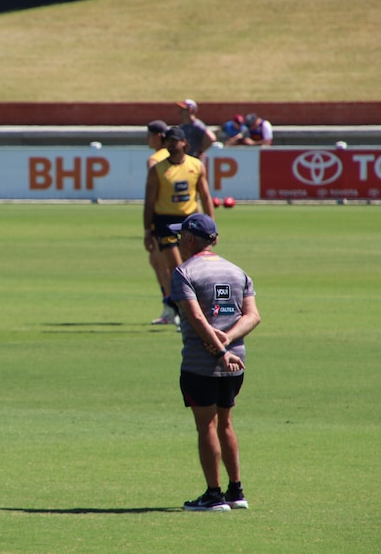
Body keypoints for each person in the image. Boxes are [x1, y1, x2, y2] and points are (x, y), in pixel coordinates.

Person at [168, 213, 260, 512]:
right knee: (227, 423)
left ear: (191, 239)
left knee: (206, 426)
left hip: (201, 363)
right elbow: (253, 316)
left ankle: (214, 494)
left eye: (181, 236)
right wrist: (229, 341)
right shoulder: (237, 271)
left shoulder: (184, 272)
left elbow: (195, 318)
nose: (179, 241)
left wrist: (219, 349)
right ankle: (236, 491)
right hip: (236, 362)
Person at [142, 126, 214, 328]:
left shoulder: (196, 166)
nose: (171, 144)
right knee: (178, 269)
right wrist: (148, 231)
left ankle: (197, 309)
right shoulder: (158, 170)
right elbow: (149, 201)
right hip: (165, 221)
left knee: (193, 266)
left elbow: (206, 196)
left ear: (185, 143)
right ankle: (184, 314)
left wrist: (211, 226)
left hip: (190, 220)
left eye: (175, 140)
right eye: (168, 141)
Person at [144, 120, 178, 326]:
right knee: (159, 262)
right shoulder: (177, 157)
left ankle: (173, 307)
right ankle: (170, 306)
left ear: (158, 136)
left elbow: (153, 194)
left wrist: (149, 225)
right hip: (178, 216)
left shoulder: (155, 160)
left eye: (149, 135)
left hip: (161, 217)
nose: (147, 139)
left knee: (162, 262)